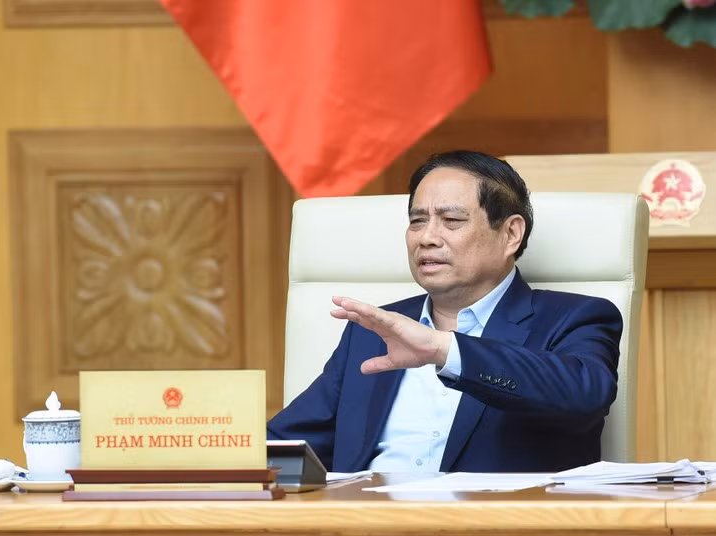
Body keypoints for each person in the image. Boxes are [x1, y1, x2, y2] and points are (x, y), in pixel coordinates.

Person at [267, 150, 622, 473]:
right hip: (365, 528)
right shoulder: (375, 330)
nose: (427, 238)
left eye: (451, 220)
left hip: (496, 534)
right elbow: (288, 446)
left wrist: (445, 351)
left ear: (511, 234)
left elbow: (584, 395)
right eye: (417, 221)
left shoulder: (575, 317)